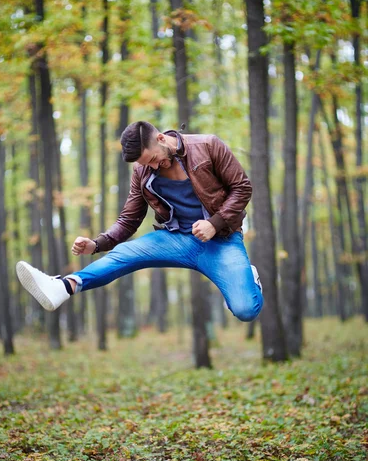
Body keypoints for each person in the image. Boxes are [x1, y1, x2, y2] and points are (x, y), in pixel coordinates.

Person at [16, 121, 263, 321]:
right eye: (147, 164)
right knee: (124, 254)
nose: (155, 166)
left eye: (154, 159)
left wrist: (215, 223)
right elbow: (129, 219)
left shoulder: (208, 145)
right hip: (176, 239)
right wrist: (97, 243)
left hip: (222, 240)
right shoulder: (142, 171)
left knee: (245, 310)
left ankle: (248, 281)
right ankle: (64, 286)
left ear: (161, 138)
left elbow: (242, 188)